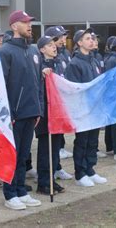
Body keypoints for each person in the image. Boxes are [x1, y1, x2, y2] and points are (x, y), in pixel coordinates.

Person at [0, 10, 43, 210]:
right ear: (14, 26)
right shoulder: (5, 51)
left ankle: (21, 190)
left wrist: (38, 109)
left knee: (24, 155)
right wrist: (9, 113)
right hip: (14, 114)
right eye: (25, 22)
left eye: (30, 22)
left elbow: (37, 84)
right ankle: (10, 194)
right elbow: (2, 86)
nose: (29, 25)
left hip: (31, 111)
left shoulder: (33, 51)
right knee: (12, 155)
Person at [65, 28, 108, 187]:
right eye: (88, 38)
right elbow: (74, 89)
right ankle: (80, 172)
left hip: (95, 108)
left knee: (93, 141)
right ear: (79, 43)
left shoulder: (94, 61)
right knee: (82, 141)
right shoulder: (75, 63)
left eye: (92, 38)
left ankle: (90, 169)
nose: (92, 41)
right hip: (83, 110)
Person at [35, 36, 66, 195]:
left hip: (57, 113)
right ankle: (43, 182)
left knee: (55, 149)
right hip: (45, 113)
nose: (54, 47)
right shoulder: (38, 65)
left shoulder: (58, 64)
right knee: (45, 150)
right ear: (42, 49)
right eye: (49, 45)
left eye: (54, 45)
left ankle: (51, 178)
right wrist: (41, 74)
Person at [43, 26, 74, 180]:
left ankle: (57, 167)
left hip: (61, 102)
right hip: (50, 105)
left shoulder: (63, 55)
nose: (63, 40)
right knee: (48, 144)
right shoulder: (44, 60)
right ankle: (48, 172)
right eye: (59, 37)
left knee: (57, 140)